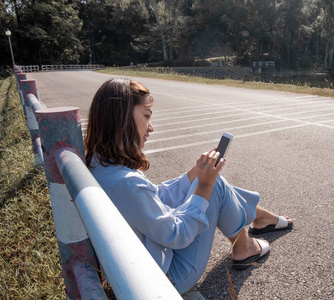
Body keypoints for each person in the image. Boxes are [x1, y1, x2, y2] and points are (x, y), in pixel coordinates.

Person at [84, 78, 293, 295]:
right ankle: (247, 243)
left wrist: (192, 176)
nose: (151, 127)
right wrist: (203, 185)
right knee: (214, 186)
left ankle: (258, 220)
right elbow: (177, 234)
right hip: (166, 278)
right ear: (121, 119)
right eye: (146, 116)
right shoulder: (125, 183)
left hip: (142, 267)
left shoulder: (101, 164)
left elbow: (154, 198)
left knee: (208, 181)